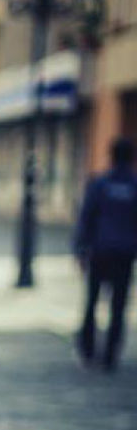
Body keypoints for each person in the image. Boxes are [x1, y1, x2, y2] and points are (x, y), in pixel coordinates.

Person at [74, 135, 137, 371]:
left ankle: (88, 349)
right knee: (118, 306)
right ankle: (110, 355)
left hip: (100, 252)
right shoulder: (134, 186)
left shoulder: (100, 184)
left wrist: (80, 250)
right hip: (124, 255)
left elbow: (86, 218)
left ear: (111, 156)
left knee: (91, 301)